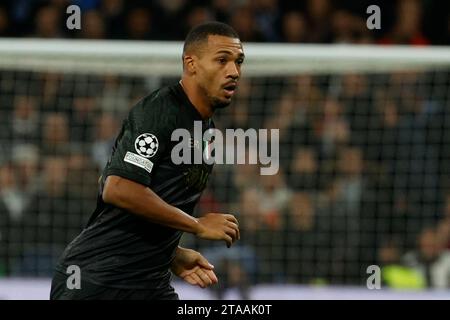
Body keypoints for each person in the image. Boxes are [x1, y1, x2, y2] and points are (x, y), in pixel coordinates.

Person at [50, 21, 245, 300]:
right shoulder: (160, 111)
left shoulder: (207, 130)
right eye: (222, 60)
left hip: (149, 282)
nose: (234, 72)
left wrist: (172, 254)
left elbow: (119, 181)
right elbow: (118, 187)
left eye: (238, 62)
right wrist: (198, 225)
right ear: (191, 64)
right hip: (97, 281)